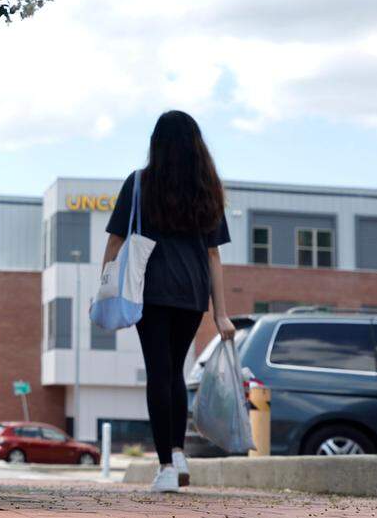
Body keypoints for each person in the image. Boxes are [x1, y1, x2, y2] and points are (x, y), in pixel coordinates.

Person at [101, 110, 235, 493]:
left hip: (152, 289)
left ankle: (165, 467)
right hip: (192, 294)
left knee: (159, 372)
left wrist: (106, 283)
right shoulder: (207, 188)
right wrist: (221, 313)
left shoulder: (141, 183)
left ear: (156, 143)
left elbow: (116, 240)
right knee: (174, 371)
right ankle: (177, 453)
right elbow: (214, 256)